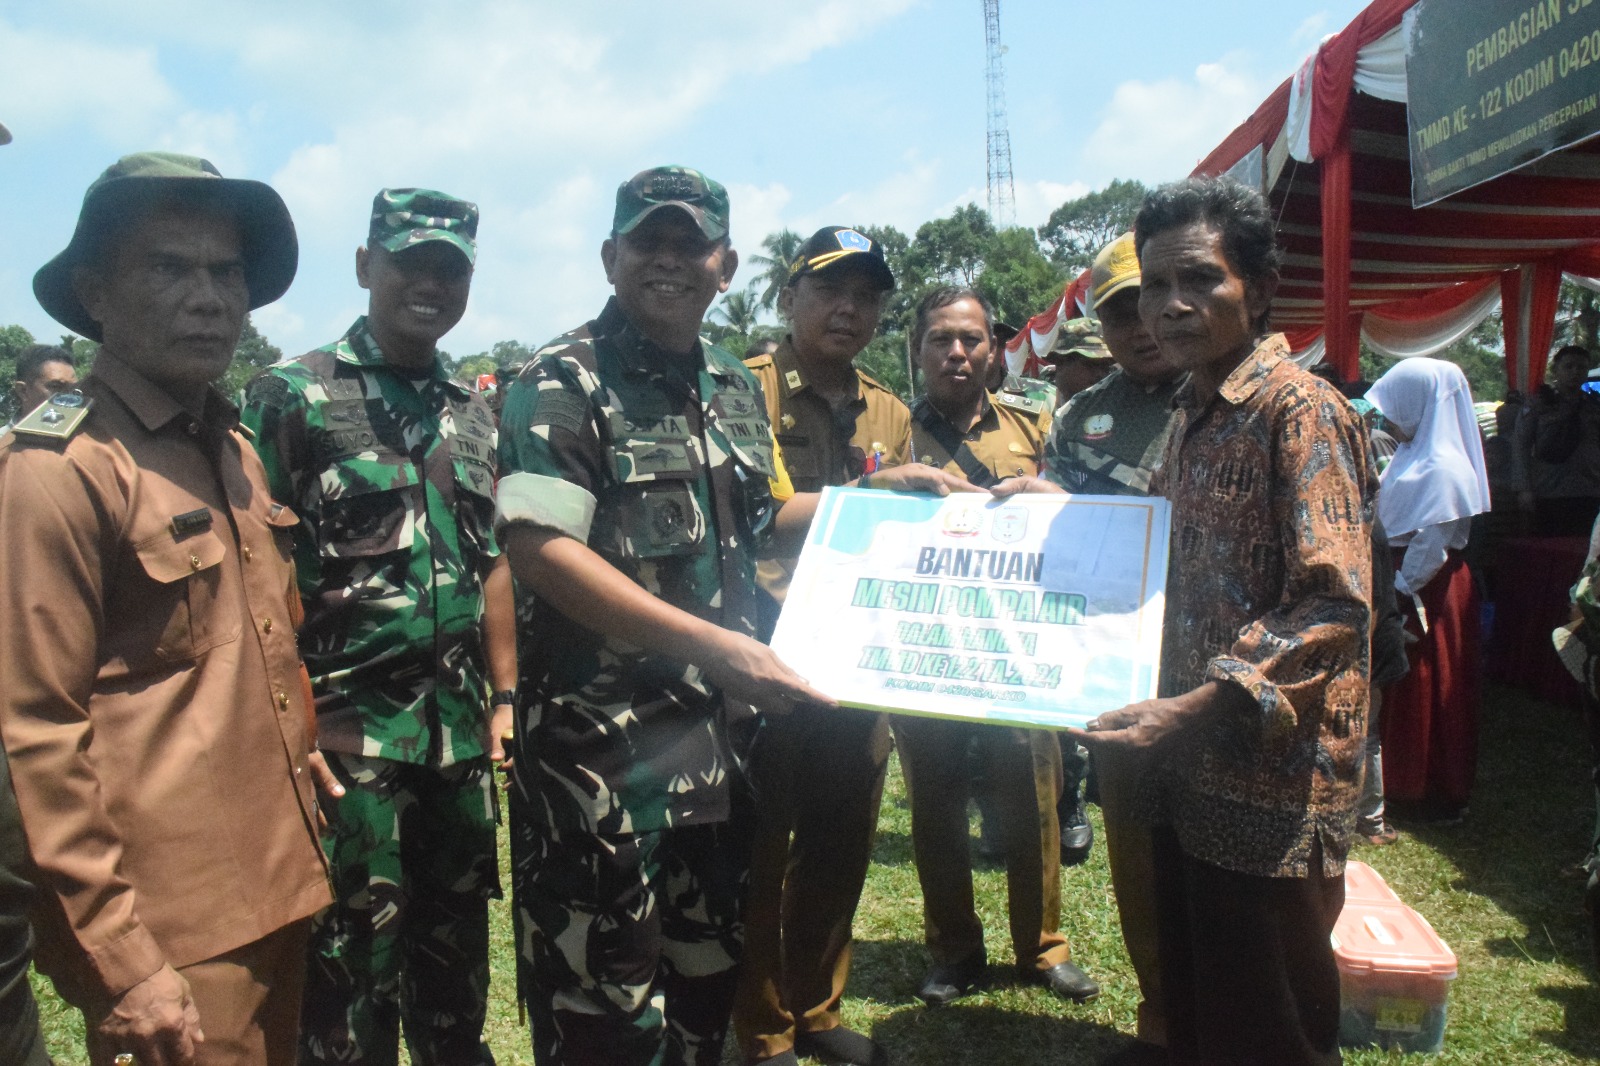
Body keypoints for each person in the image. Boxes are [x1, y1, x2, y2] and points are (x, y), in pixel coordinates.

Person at [0, 151, 331, 1065]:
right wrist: (122, 958)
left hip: (281, 879)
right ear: (94, 292)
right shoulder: (57, 472)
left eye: (227, 272)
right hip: (170, 924)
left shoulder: (230, 448)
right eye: (169, 268)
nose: (209, 297)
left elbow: (251, 645)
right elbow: (32, 731)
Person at [493, 166, 827, 1066]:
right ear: (611, 257)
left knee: (706, 988)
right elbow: (540, 549)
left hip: (718, 748)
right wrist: (718, 648)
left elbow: (755, 520)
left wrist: (872, 504)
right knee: (602, 1006)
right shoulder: (560, 379)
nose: (670, 261)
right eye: (649, 242)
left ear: (726, 265)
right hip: (598, 759)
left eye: (692, 244)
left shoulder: (731, 383)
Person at [1070, 177, 1373, 1066]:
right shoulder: (1193, 413)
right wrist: (1048, 507)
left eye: (1199, 280)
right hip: (1189, 770)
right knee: (1206, 993)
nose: (1171, 306)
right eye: (1157, 285)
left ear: (1258, 288)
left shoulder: (1298, 410)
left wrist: (1194, 706)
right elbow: (1153, 545)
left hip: (1273, 782)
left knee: (1270, 1019)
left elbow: (1333, 601)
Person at [241, 188, 513, 1066]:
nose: (430, 283)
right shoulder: (292, 396)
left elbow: (494, 562)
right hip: (345, 746)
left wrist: (505, 697)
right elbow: (255, 572)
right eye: (410, 262)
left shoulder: (477, 411)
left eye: (451, 268)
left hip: (459, 745)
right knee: (346, 990)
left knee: (453, 976)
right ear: (366, 267)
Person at [735, 227, 970, 1066]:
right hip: (764, 649)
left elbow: (906, 531)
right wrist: (869, 491)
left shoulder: (889, 408)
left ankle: (818, 1009)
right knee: (762, 843)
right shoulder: (743, 387)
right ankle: (762, 1028)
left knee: (843, 835)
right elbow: (754, 511)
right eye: (832, 290)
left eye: (867, 296)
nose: (849, 309)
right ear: (789, 296)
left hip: (860, 647)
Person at [997, 230, 1184, 1058]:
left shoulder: (1232, 395)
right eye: (1116, 312)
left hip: (1212, 669)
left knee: (1222, 863)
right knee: (1136, 852)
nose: (1139, 325)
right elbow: (1067, 536)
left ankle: (1228, 1017)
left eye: (1147, 300)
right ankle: (1160, 1016)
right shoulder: (1080, 415)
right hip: (1118, 677)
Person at [895, 284, 1099, 1009]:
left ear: (993, 351)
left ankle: (1042, 947)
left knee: (1034, 794)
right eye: (940, 339)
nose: (956, 352)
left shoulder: (1035, 425)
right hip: (927, 649)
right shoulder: (892, 433)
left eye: (971, 339)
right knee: (936, 802)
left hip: (1016, 650)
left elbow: (1078, 524)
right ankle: (952, 948)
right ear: (918, 350)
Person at [1366, 358, 1491, 824]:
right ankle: (1399, 778)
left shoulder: (1445, 468)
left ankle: (1430, 785)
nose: (1388, 419)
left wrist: (1396, 593)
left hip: (1426, 588)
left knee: (1428, 683)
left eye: (1395, 407)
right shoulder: (1411, 454)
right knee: (1403, 681)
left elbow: (1432, 544)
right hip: (1402, 578)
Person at [1514, 344, 1600, 536]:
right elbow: (1521, 446)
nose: (1575, 372)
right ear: (1556, 370)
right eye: (1568, 367)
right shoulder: (1538, 404)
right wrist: (1523, 488)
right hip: (1550, 491)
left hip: (1589, 490)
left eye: (1581, 367)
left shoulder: (1594, 405)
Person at [1040, 318, 1115, 402]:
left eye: (1106, 367)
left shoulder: (1118, 409)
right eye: (1091, 365)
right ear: (1061, 363)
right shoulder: (1041, 404)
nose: (1100, 375)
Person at [6, 343, 78, 429]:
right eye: (56, 387)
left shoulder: (83, 439)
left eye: (73, 388)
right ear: (23, 391)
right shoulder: (4, 441)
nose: (69, 396)